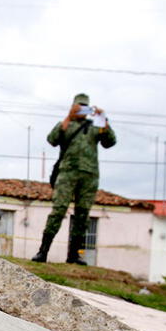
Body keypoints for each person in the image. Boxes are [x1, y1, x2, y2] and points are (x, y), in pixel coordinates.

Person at [32, 93, 117, 265]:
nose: (82, 110)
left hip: (89, 175)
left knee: (83, 214)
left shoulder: (95, 126)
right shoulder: (66, 124)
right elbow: (52, 139)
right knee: (59, 210)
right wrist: (68, 117)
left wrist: (103, 119)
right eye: (79, 106)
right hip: (67, 173)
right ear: (73, 106)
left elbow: (110, 142)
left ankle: (74, 255)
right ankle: (43, 252)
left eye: (86, 106)